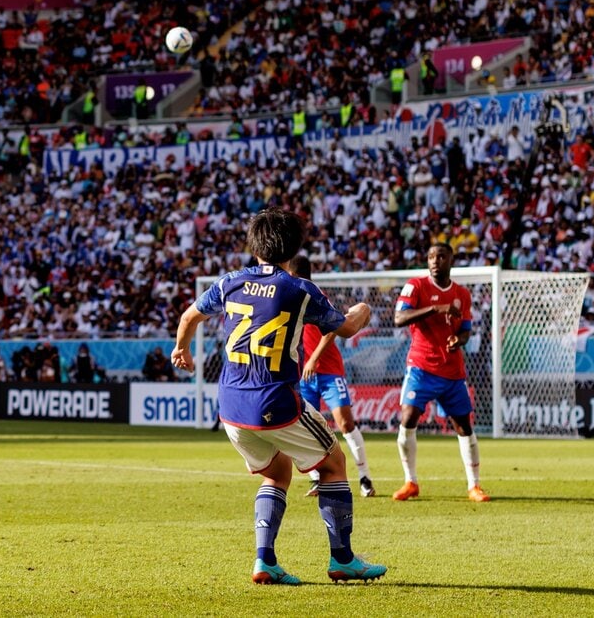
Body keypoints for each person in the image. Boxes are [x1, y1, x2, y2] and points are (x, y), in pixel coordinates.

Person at [171, 208, 386, 586]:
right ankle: (343, 559)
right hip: (275, 402)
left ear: (253, 246)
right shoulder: (299, 289)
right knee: (334, 463)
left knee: (277, 472)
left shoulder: (229, 283)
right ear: (294, 248)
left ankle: (264, 561)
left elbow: (189, 317)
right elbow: (347, 327)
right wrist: (363, 309)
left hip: (231, 407)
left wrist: (182, 350)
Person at [392, 243, 489, 503]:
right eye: (431, 256)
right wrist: (435, 309)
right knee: (408, 417)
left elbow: (465, 330)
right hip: (421, 367)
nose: (435, 261)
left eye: (441, 256)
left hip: (451, 370)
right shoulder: (416, 286)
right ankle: (410, 481)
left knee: (463, 425)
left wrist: (459, 340)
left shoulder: (462, 294)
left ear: (451, 260)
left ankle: (474, 486)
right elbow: (399, 319)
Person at [294, 254, 374, 498]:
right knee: (305, 426)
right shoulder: (288, 296)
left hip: (328, 370)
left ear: (293, 273)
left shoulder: (314, 295)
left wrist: (314, 358)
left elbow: (333, 328)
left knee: (345, 422)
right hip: (304, 374)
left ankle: (364, 477)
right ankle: (316, 479)